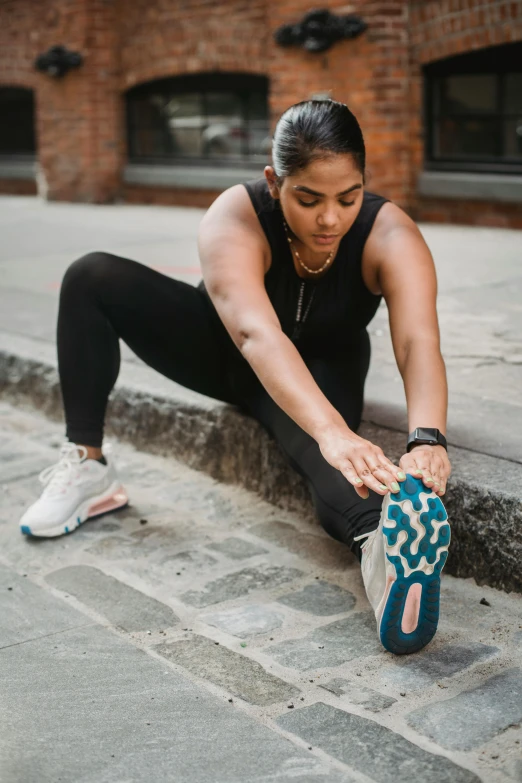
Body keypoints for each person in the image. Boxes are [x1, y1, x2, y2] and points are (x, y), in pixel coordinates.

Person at [19, 99, 452, 655]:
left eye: (347, 198)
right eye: (308, 198)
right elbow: (254, 335)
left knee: (344, 466)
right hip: (223, 353)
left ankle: (384, 554)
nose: (329, 219)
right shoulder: (237, 213)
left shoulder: (390, 232)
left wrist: (426, 437)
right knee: (91, 277)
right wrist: (333, 430)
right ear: (275, 182)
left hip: (324, 365)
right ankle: (87, 467)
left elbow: (418, 340)